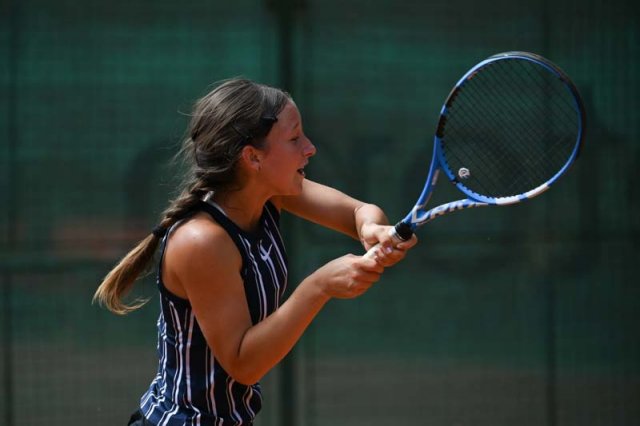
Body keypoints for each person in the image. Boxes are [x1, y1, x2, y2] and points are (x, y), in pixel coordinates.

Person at [93, 78, 417, 426]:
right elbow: (243, 364)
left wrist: (371, 229)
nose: (310, 148)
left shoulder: (270, 194)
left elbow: (358, 212)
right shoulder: (201, 242)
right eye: (294, 138)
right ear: (253, 157)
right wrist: (319, 287)